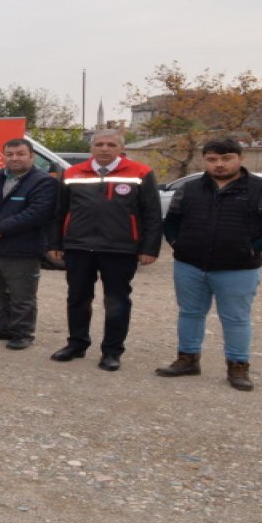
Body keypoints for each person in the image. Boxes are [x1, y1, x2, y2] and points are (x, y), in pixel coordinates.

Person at [157, 138, 262, 390]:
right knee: (190, 313)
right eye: (212, 159)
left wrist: (255, 247)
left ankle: (238, 367)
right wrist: (177, 242)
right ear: (205, 160)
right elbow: (171, 220)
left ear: (240, 159)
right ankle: (187, 359)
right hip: (190, 265)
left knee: (236, 318)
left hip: (238, 268)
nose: (219, 164)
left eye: (226, 158)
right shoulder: (189, 189)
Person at [49, 129, 162, 371]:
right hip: (79, 247)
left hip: (120, 249)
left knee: (117, 301)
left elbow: (152, 214)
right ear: (91, 148)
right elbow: (60, 211)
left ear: (121, 148)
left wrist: (149, 247)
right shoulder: (71, 173)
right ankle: (76, 344)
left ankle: (112, 351)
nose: (104, 148)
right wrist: (56, 243)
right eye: (99, 144)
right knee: (78, 298)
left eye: (110, 144)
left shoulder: (140, 172)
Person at [0, 138, 58, 350]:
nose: (14, 158)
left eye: (20, 154)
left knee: (21, 295)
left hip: (22, 250)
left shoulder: (43, 182)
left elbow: (37, 213)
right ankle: (1, 327)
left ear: (31, 156)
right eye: (10, 154)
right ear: (4, 156)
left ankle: (22, 333)